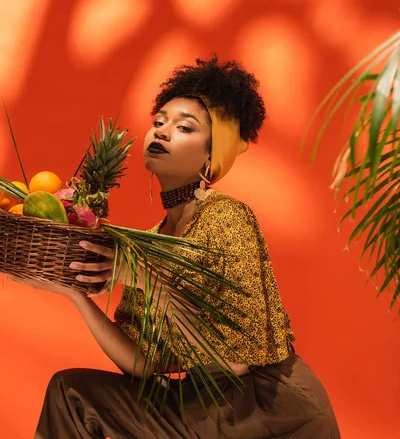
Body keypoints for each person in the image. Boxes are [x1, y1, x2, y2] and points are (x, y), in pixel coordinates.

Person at [13, 57, 341, 438]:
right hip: (205, 405)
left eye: (184, 127)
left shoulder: (228, 218)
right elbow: (144, 364)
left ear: (211, 154)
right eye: (159, 122)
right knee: (71, 393)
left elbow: (232, 361)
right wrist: (76, 295)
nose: (163, 132)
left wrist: (135, 275)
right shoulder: (154, 238)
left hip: (268, 410)